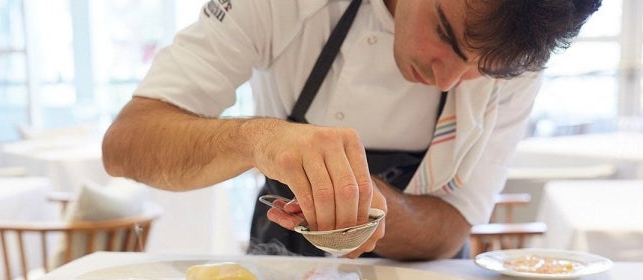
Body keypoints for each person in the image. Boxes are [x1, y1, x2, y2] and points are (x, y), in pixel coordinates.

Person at [102, 0, 601, 260]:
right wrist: (258, 140)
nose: (447, 78)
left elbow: (450, 229)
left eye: (481, 70)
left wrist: (365, 202)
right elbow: (127, 143)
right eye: (445, 35)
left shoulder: (523, 50)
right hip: (282, 278)